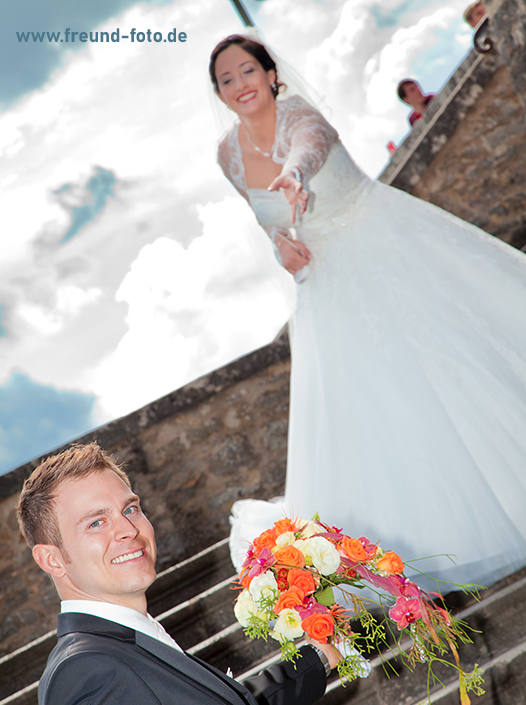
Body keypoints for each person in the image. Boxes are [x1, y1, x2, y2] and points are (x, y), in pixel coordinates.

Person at [209, 34, 526, 591]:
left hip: (383, 245)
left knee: (453, 363)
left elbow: (308, 150)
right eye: (227, 79)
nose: (240, 85)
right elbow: (267, 220)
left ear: (270, 73)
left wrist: (294, 175)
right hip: (326, 285)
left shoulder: (301, 116)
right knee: (374, 406)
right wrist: (282, 245)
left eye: (247, 71)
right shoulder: (227, 155)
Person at [18, 442, 341, 705]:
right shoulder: (87, 675)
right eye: (96, 522)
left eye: (131, 508)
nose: (127, 529)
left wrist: (319, 657)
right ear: (52, 560)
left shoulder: (121, 645)